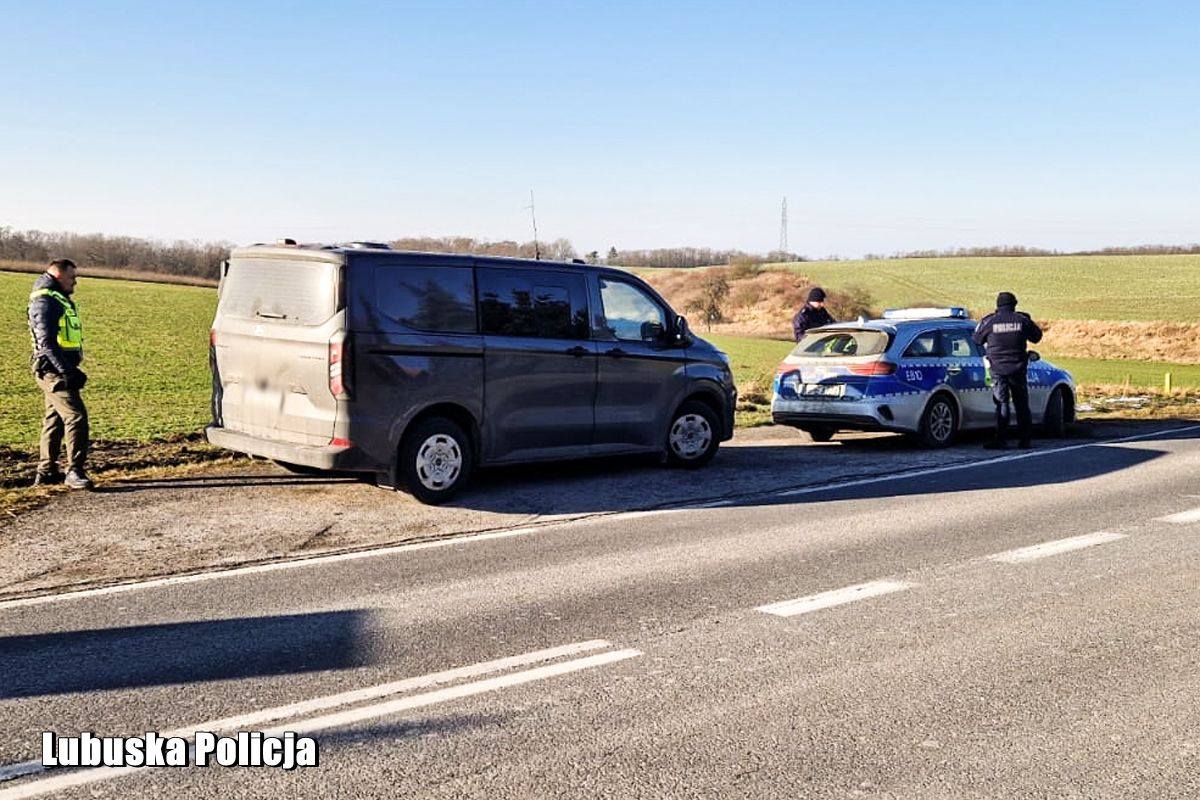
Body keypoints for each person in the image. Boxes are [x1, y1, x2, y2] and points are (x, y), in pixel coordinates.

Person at [28, 258, 92, 489]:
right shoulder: (45, 301)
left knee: (54, 419)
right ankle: (74, 471)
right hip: (53, 371)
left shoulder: (56, 297)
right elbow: (46, 343)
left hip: (57, 369)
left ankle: (46, 472)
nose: (75, 281)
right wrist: (67, 371)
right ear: (59, 275)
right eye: (72, 277)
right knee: (76, 416)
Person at [972, 291, 1043, 450]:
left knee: (1002, 403)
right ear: (1014, 305)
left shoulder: (991, 321)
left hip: (997, 369)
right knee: (1021, 404)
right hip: (1018, 368)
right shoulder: (1022, 320)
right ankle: (1025, 441)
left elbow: (977, 339)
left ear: (998, 305)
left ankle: (1001, 440)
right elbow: (1037, 337)